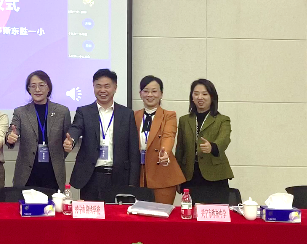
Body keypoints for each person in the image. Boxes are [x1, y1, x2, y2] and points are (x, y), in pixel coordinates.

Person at [65, 68, 139, 201]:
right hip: (91, 177)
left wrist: (132, 183)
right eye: (98, 86)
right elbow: (76, 128)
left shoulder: (127, 114)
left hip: (119, 177)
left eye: (107, 86)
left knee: (115, 214)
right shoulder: (84, 112)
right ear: (93, 87)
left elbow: (133, 150)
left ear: (115, 88)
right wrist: (71, 140)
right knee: (90, 213)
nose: (102, 90)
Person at [5, 70, 71, 191]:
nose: (37, 89)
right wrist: (10, 137)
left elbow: (67, 140)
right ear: (28, 89)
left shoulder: (62, 112)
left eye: (41, 85)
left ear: (48, 88)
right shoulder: (20, 112)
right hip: (27, 175)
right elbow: (12, 131)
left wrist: (67, 147)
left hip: (53, 174)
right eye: (33, 86)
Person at [176, 79, 233, 202]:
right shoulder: (184, 120)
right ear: (192, 97)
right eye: (196, 94)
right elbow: (180, 149)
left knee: (215, 212)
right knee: (191, 211)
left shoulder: (222, 120)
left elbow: (224, 139)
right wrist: (177, 177)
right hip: (190, 176)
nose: (200, 97)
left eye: (205, 94)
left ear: (212, 97)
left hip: (215, 175)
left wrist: (212, 147)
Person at [134, 75, 185, 205]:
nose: (150, 95)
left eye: (154, 91)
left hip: (162, 171)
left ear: (161, 94)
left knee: (162, 214)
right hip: (140, 174)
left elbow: (169, 135)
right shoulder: (134, 115)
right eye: (146, 91)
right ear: (140, 94)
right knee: (139, 214)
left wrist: (165, 152)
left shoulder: (169, 115)